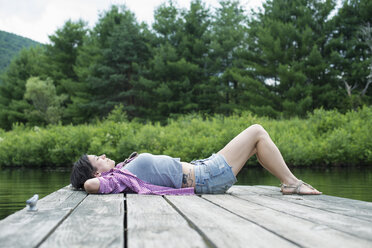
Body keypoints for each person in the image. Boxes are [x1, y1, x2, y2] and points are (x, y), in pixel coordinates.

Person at [70, 124, 322, 195]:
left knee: (256, 142)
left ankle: (289, 182)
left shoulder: (121, 172)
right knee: (256, 132)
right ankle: (291, 182)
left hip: (202, 168)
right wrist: (86, 182)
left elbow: (93, 182)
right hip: (205, 177)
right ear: (97, 173)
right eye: (97, 159)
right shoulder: (114, 180)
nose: (103, 156)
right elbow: (90, 186)